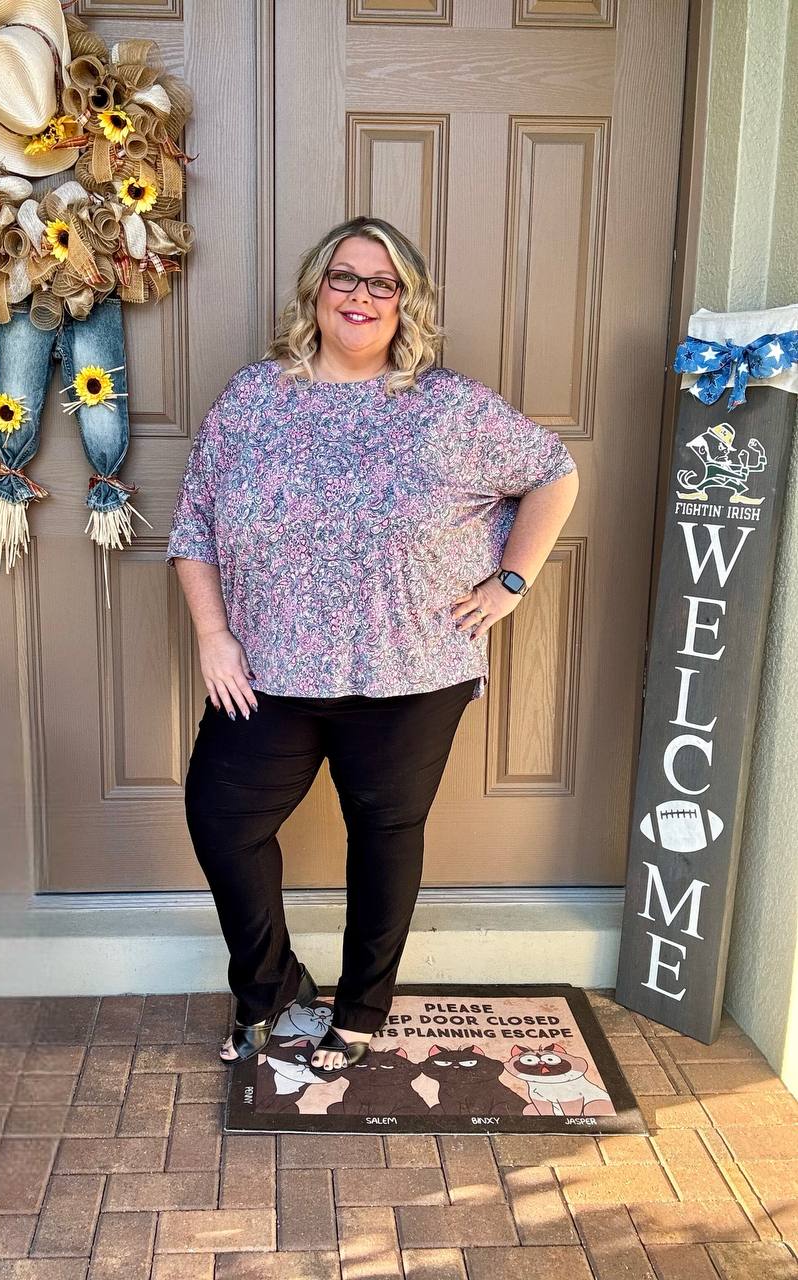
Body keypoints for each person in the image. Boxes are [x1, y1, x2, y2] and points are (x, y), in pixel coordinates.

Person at [166, 215, 579, 1076]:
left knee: (385, 832)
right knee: (222, 814)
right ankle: (269, 988)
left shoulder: (450, 407)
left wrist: (510, 582)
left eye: (381, 283)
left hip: (411, 669)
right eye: (344, 278)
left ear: (407, 303)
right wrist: (213, 636)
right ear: (315, 291)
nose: (360, 296)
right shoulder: (254, 398)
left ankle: (361, 1007)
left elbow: (553, 473)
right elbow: (195, 520)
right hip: (269, 668)